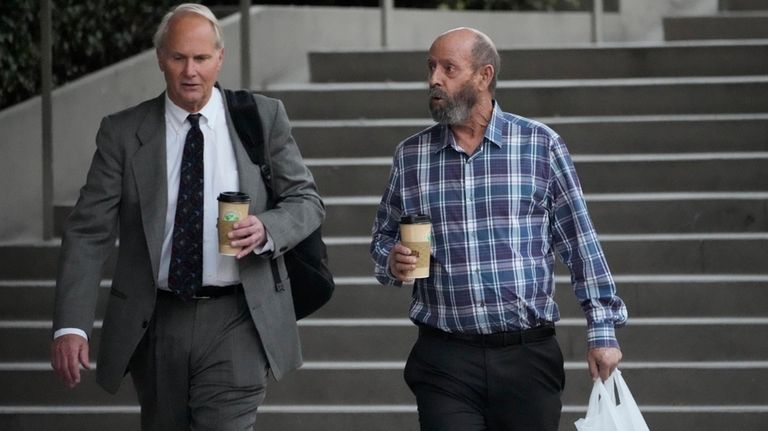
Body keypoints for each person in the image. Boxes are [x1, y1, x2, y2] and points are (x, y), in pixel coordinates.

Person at [50, 4, 324, 430]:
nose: (190, 70)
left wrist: (268, 228)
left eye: (200, 58)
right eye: (178, 58)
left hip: (237, 315)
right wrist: (71, 325)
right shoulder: (122, 133)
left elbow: (306, 200)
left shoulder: (261, 118)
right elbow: (88, 233)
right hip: (156, 319)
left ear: (220, 58)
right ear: (160, 59)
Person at [370, 27, 628, 431]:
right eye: (431, 68)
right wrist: (392, 260)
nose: (434, 79)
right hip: (445, 357)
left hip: (526, 356)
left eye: (448, 68)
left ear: (483, 75)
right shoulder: (411, 156)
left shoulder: (540, 145)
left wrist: (603, 329)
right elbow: (384, 235)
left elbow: (581, 242)